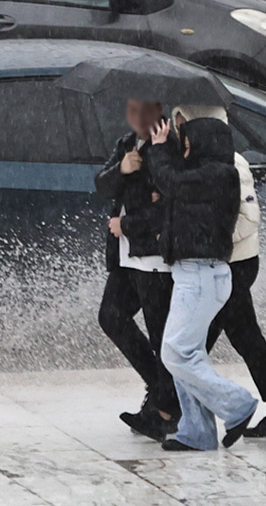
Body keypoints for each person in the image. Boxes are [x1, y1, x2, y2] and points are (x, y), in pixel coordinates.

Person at [172, 105, 266, 438]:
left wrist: (211, 239)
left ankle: (174, 409)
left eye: (185, 125)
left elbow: (249, 217)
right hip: (217, 265)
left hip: (234, 265)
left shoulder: (233, 164)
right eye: (178, 125)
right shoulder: (194, 160)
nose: (180, 132)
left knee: (192, 343)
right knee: (242, 336)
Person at [147, 114, 259, 451]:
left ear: (204, 143)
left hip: (202, 275)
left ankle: (237, 404)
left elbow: (173, 182)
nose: (184, 151)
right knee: (187, 354)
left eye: (187, 145)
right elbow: (175, 186)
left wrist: (157, 151)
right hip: (194, 274)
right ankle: (197, 432)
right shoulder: (204, 175)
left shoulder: (220, 174)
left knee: (176, 353)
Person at [95, 99, 178, 441]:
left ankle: (166, 410)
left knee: (163, 339)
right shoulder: (127, 144)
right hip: (127, 257)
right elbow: (101, 184)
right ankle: (160, 392)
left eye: (143, 111)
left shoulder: (170, 146)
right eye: (130, 110)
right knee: (111, 316)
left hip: (156, 259)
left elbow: (173, 204)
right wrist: (123, 169)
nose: (136, 118)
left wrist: (127, 224)